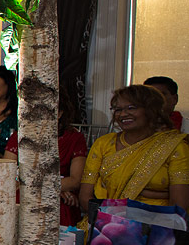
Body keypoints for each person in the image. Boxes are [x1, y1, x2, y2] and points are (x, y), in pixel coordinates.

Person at [78, 84, 189, 214]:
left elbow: (179, 206)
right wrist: (111, 221)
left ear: (151, 110)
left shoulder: (174, 147)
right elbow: (85, 198)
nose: (123, 114)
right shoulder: (104, 143)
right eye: (118, 109)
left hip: (157, 227)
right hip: (104, 224)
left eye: (131, 108)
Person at [2, 91, 88, 226]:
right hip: (26, 193)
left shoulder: (74, 138)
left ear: (59, 113)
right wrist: (54, 187)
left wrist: (49, 188)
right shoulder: (20, 136)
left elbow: (75, 181)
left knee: (60, 205)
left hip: (56, 196)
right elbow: (7, 173)